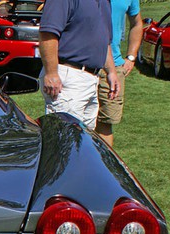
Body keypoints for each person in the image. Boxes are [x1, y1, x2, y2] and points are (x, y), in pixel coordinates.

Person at [39, 0, 120, 131]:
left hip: (91, 79)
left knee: (85, 142)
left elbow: (104, 41)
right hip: (68, 76)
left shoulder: (105, 2)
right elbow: (47, 34)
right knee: (65, 139)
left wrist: (111, 72)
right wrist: (51, 73)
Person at [95, 0, 143, 146]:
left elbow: (137, 23)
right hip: (80, 66)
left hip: (113, 69)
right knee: (75, 122)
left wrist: (131, 57)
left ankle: (102, 166)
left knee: (105, 124)